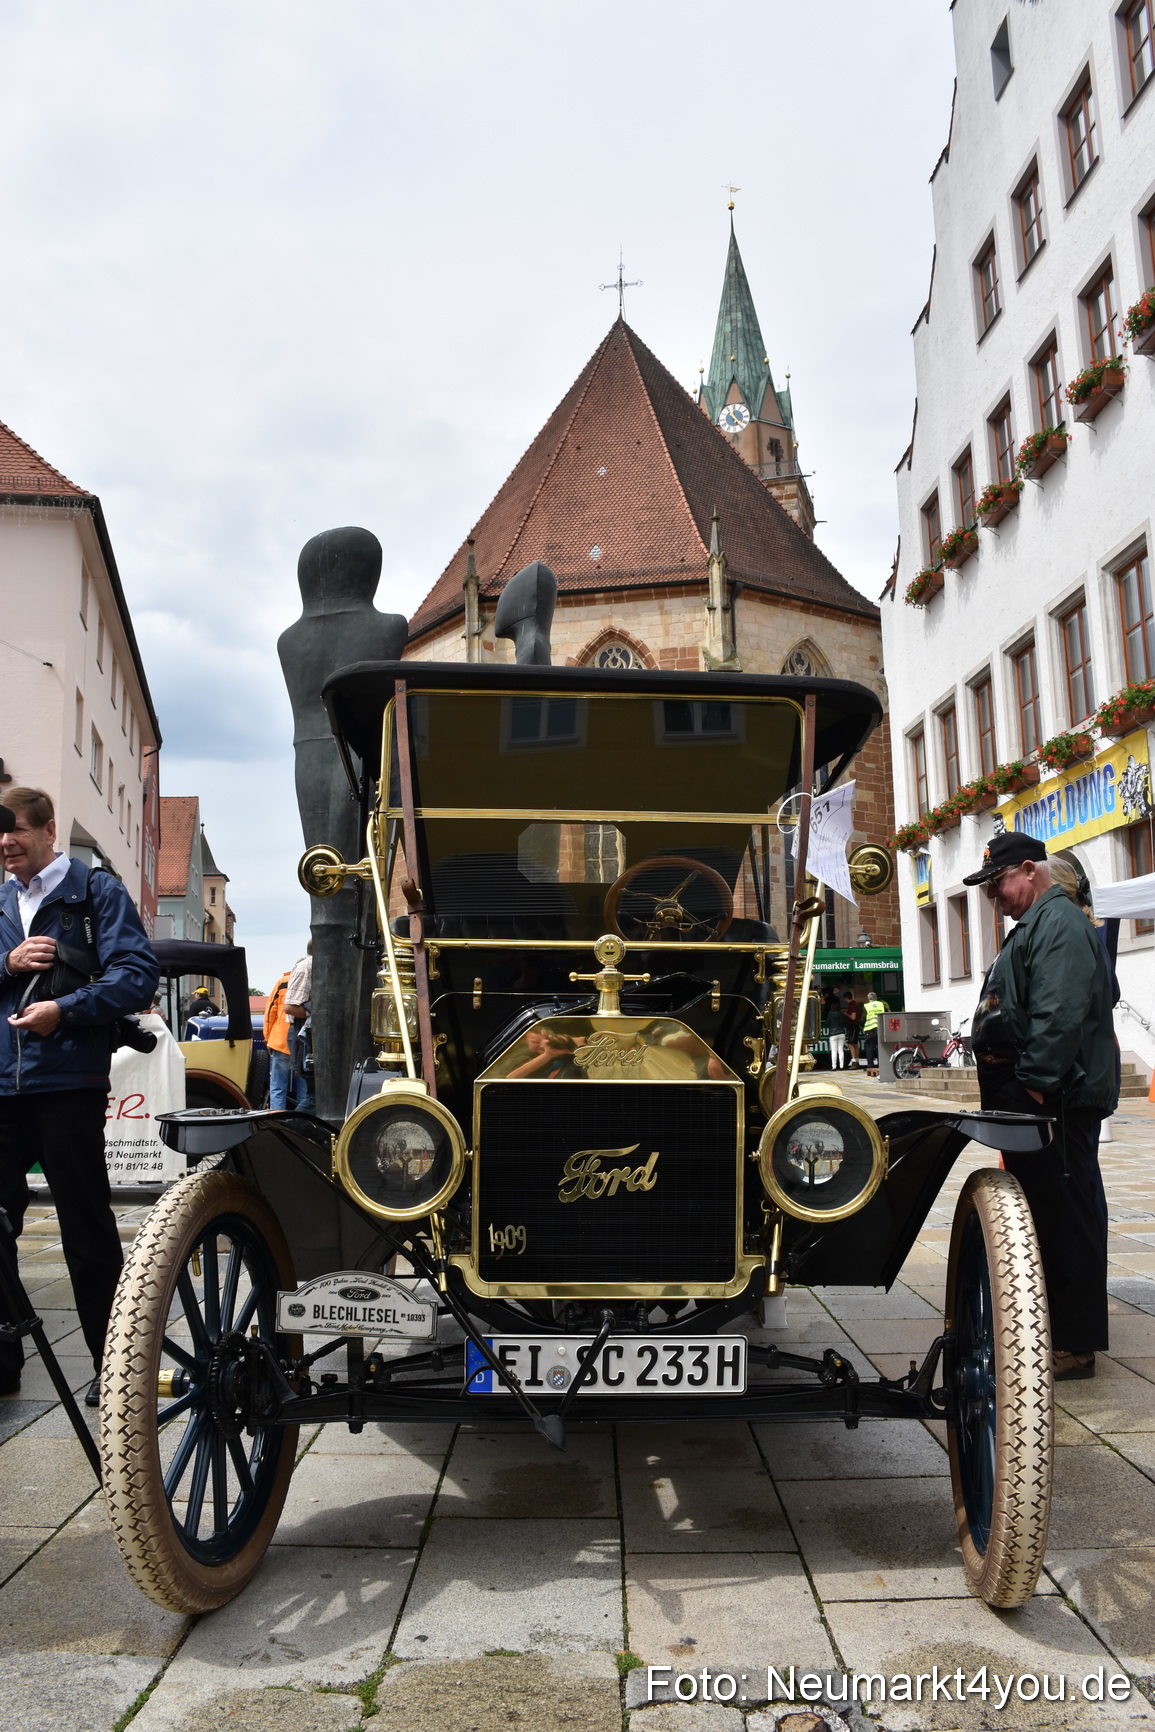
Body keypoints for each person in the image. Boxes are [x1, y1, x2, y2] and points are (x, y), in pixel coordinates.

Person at [0, 788, 158, 1405]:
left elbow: (136, 974)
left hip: (67, 1084)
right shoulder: (2, 899)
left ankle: (112, 1369)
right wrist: (9, 963)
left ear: (48, 829)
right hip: (3, 1091)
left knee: (86, 1231)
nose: (5, 843)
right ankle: (4, 1361)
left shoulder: (96, 892)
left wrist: (62, 1011)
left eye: (14, 830)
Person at [963, 832, 1117, 1381]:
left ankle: (1074, 1346)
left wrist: (1034, 1083)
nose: (993, 898)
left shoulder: (1057, 923)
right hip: (1042, 1095)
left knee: (1066, 1217)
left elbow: (1060, 1011)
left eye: (998, 884)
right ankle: (1053, 1328)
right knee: (1045, 1214)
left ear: (1030, 870)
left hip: (1054, 1099)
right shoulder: (1038, 923)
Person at [284, 941, 315, 1112]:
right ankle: (293, 1131)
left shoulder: (308, 966)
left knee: (314, 1095)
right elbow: (290, 1007)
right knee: (315, 1097)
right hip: (305, 1035)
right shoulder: (305, 967)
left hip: (308, 1034)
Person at [861, 988, 889, 1073]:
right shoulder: (881, 1004)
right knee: (880, 1047)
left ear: (869, 998)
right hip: (880, 1028)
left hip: (870, 1030)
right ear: (876, 997)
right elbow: (887, 1013)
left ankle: (870, 1065)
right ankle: (881, 1064)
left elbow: (863, 1018)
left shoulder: (866, 1006)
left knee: (870, 1048)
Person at [825, 996, 848, 1071]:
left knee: (834, 1051)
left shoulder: (830, 1014)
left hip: (833, 1034)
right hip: (841, 1033)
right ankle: (841, 1066)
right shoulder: (842, 1014)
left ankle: (834, 1066)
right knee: (841, 1050)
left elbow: (827, 1023)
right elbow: (844, 1022)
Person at [843, 991, 862, 1067]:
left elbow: (853, 1017)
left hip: (853, 1026)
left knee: (851, 1044)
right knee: (855, 1044)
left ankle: (854, 1061)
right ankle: (857, 1061)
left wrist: (845, 1013)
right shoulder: (853, 1004)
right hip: (855, 1026)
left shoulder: (852, 1005)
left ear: (846, 998)